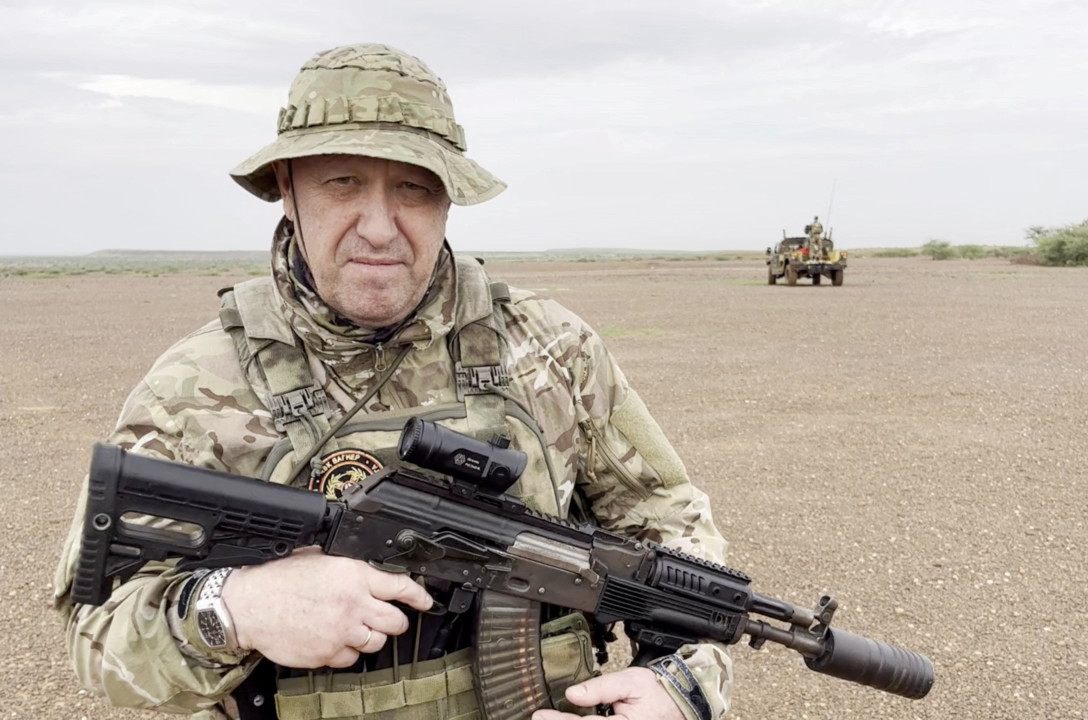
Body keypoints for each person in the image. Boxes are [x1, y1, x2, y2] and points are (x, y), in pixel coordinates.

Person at [54, 43, 733, 720]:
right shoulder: (196, 388)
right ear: (288, 190)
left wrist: (680, 687)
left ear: (447, 201)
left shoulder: (552, 348)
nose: (379, 228)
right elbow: (97, 635)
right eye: (341, 182)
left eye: (413, 187)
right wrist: (237, 609)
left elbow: (670, 523)